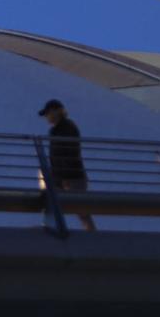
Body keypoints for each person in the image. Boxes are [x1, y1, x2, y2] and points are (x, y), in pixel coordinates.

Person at [38, 98, 96, 231]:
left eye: (48, 113)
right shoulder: (60, 129)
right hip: (64, 176)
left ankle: (90, 235)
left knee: (80, 209)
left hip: (70, 177)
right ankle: (89, 235)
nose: (47, 117)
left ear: (56, 112)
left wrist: (61, 175)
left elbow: (69, 153)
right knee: (75, 209)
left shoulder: (66, 128)